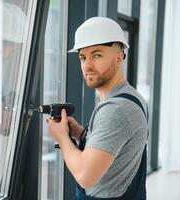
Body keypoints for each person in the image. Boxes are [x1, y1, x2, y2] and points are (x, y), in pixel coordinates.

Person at [46, 17, 148, 200]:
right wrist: (80, 133)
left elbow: (86, 176)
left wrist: (61, 137)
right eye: (83, 57)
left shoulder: (116, 109)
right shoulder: (130, 97)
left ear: (119, 58)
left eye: (97, 55)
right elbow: (118, 149)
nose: (88, 65)